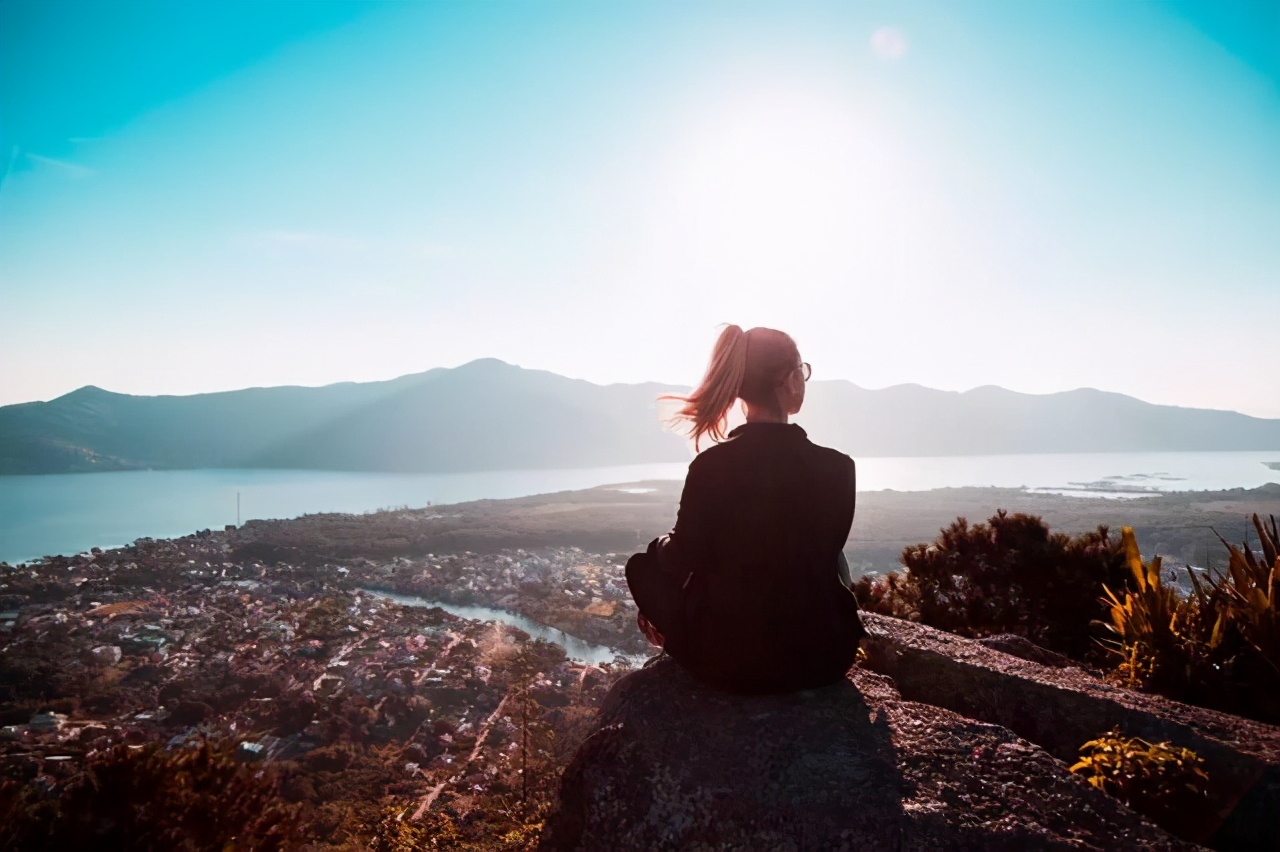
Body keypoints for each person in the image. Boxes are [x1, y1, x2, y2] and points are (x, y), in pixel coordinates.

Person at [625, 325, 867, 694]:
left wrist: (660, 548)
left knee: (639, 567)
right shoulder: (838, 467)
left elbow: (679, 559)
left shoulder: (712, 467)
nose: (803, 380)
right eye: (801, 371)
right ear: (788, 380)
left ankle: (672, 640)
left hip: (727, 660)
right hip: (825, 656)